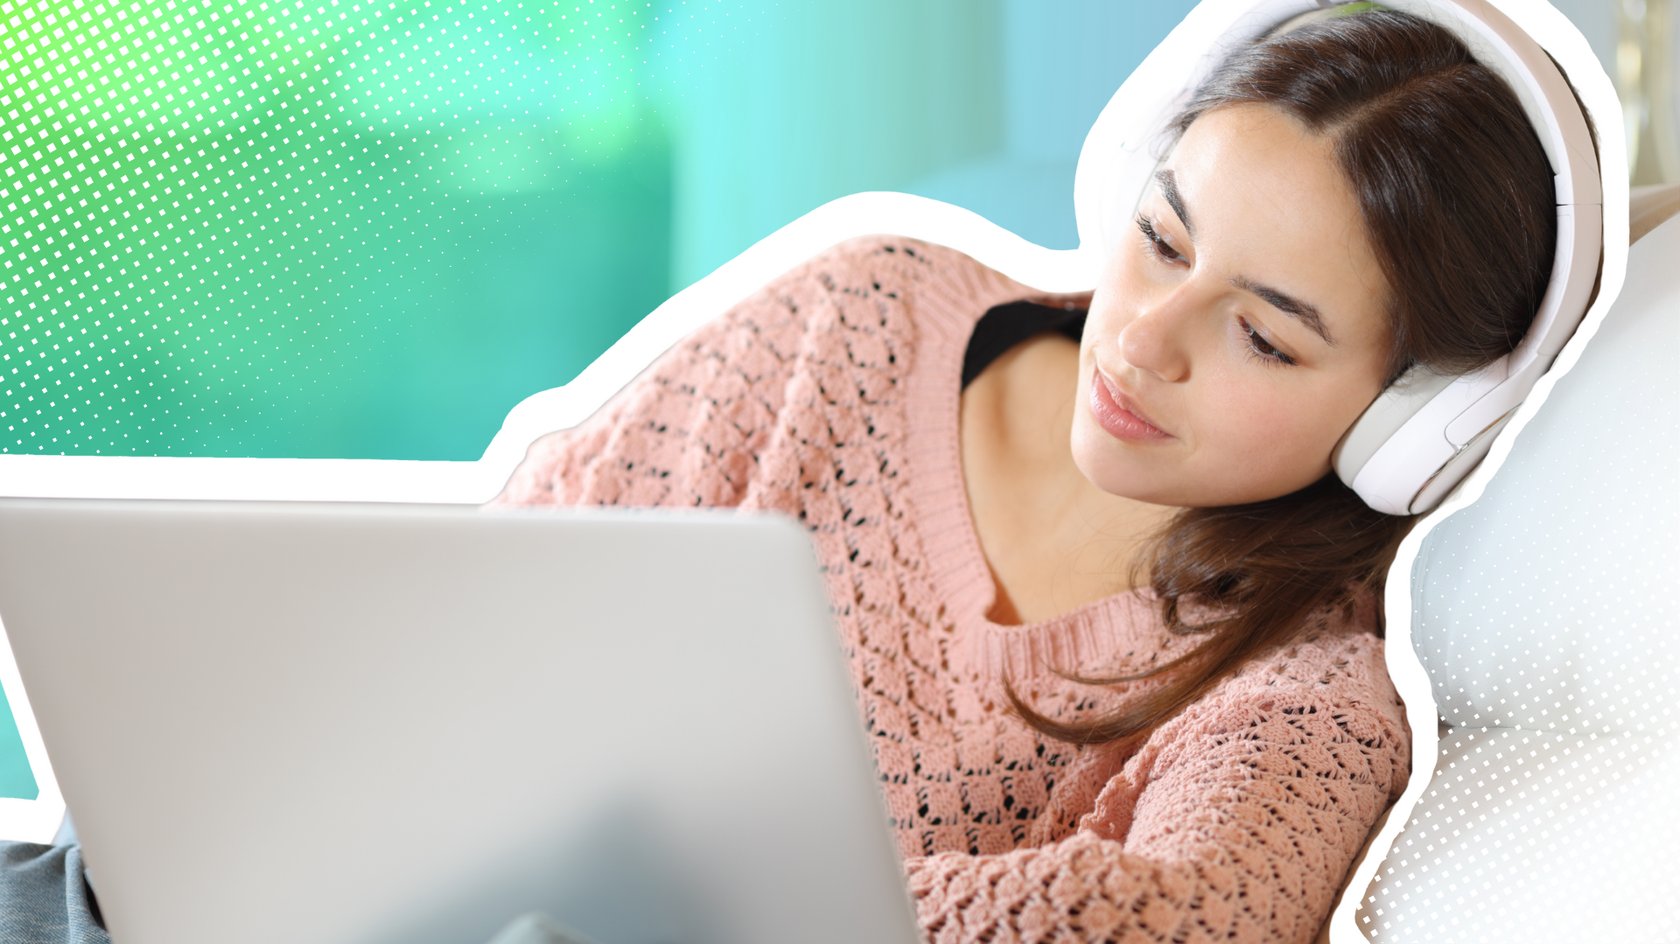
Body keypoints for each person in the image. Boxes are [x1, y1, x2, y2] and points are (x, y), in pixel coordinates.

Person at [0, 5, 1584, 943]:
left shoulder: (1303, 694)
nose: (1146, 337)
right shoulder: (863, 315)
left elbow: (1173, 922)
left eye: (1262, 334)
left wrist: (663, 901)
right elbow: (510, 580)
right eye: (1162, 237)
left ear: (1409, 416)